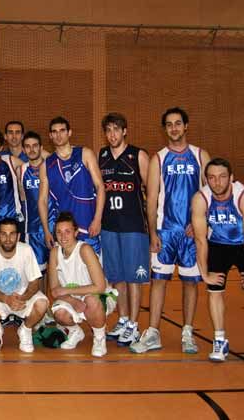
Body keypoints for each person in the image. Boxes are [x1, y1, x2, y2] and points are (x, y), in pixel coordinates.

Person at [131, 107, 211, 355]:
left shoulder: (200, 156)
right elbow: (151, 198)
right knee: (158, 282)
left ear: (186, 126)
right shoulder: (159, 158)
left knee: (190, 283)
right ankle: (153, 332)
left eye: (178, 123)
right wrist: (153, 233)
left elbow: (210, 195)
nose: (174, 128)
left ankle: (187, 332)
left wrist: (200, 223)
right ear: (164, 128)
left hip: (191, 232)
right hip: (166, 231)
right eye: (169, 124)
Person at [191, 158, 244, 365]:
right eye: (212, 178)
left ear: (231, 178)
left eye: (223, 177)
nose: (217, 182)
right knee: (214, 290)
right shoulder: (200, 199)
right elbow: (200, 240)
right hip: (217, 243)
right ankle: (219, 340)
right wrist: (205, 274)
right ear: (206, 180)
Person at [98, 113, 150, 346]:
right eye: (108, 130)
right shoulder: (102, 156)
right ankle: (123, 318)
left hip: (133, 227)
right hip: (109, 226)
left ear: (125, 131)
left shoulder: (138, 155)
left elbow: (151, 192)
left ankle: (134, 325)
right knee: (117, 277)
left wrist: (153, 228)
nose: (112, 135)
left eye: (116, 129)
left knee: (133, 279)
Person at [38, 116, 105, 255]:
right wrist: (46, 231)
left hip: (88, 225)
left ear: (69, 133)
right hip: (64, 232)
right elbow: (42, 201)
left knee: (93, 273)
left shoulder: (85, 154)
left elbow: (100, 187)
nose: (58, 134)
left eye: (62, 130)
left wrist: (98, 219)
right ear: (50, 135)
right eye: (54, 131)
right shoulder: (46, 165)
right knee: (67, 274)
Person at [0, 218, 48, 353]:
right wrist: (6, 299)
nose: (8, 238)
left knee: (42, 304)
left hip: (21, 296)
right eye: (4, 234)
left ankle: (25, 330)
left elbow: (35, 282)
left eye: (12, 234)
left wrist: (23, 297)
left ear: (18, 236)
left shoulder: (26, 250)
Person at [49, 212, 108, 357]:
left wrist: (70, 292)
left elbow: (100, 287)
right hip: (71, 296)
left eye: (67, 232)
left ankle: (100, 337)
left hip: (97, 295)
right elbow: (54, 290)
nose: (63, 237)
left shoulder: (84, 249)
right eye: (59, 232)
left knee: (91, 301)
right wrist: (72, 300)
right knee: (58, 312)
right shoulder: (54, 252)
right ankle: (76, 331)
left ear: (76, 232)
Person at [18, 131, 53, 272]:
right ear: (23, 149)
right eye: (27, 146)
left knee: (58, 270)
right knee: (37, 272)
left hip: (54, 225)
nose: (31, 150)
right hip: (32, 228)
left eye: (35, 146)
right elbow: (23, 198)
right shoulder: (20, 170)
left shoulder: (52, 167)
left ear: (41, 147)